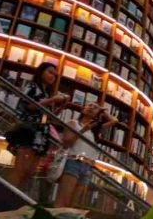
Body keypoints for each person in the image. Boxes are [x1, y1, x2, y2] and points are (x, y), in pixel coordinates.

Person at [7, 62, 70, 191]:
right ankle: (8, 196)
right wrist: (53, 100)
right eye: (50, 72)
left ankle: (16, 200)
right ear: (41, 72)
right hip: (29, 130)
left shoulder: (47, 93)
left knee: (29, 172)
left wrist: (62, 105)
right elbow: (30, 105)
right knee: (20, 169)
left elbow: (49, 117)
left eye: (55, 75)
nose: (53, 76)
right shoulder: (32, 86)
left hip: (41, 134)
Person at [54, 102, 117, 207]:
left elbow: (114, 121)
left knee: (74, 204)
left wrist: (103, 110)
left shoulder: (94, 131)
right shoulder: (73, 123)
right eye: (89, 105)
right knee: (63, 200)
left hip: (87, 167)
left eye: (95, 108)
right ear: (83, 109)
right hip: (73, 162)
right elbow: (67, 142)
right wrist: (83, 130)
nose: (91, 108)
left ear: (98, 114)